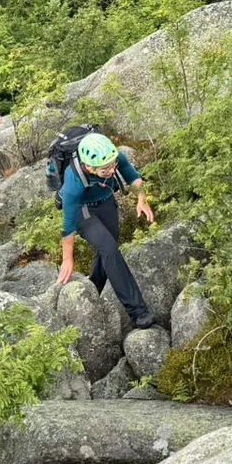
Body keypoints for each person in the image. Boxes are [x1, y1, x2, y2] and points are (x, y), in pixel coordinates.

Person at [56, 131, 156, 330]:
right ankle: (138, 312)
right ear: (89, 166)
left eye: (112, 166)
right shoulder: (73, 181)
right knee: (109, 248)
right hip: (81, 210)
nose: (111, 171)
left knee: (109, 243)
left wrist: (141, 199)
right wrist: (68, 258)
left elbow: (133, 177)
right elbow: (67, 226)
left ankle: (95, 285)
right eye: (105, 169)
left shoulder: (114, 157)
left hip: (105, 201)